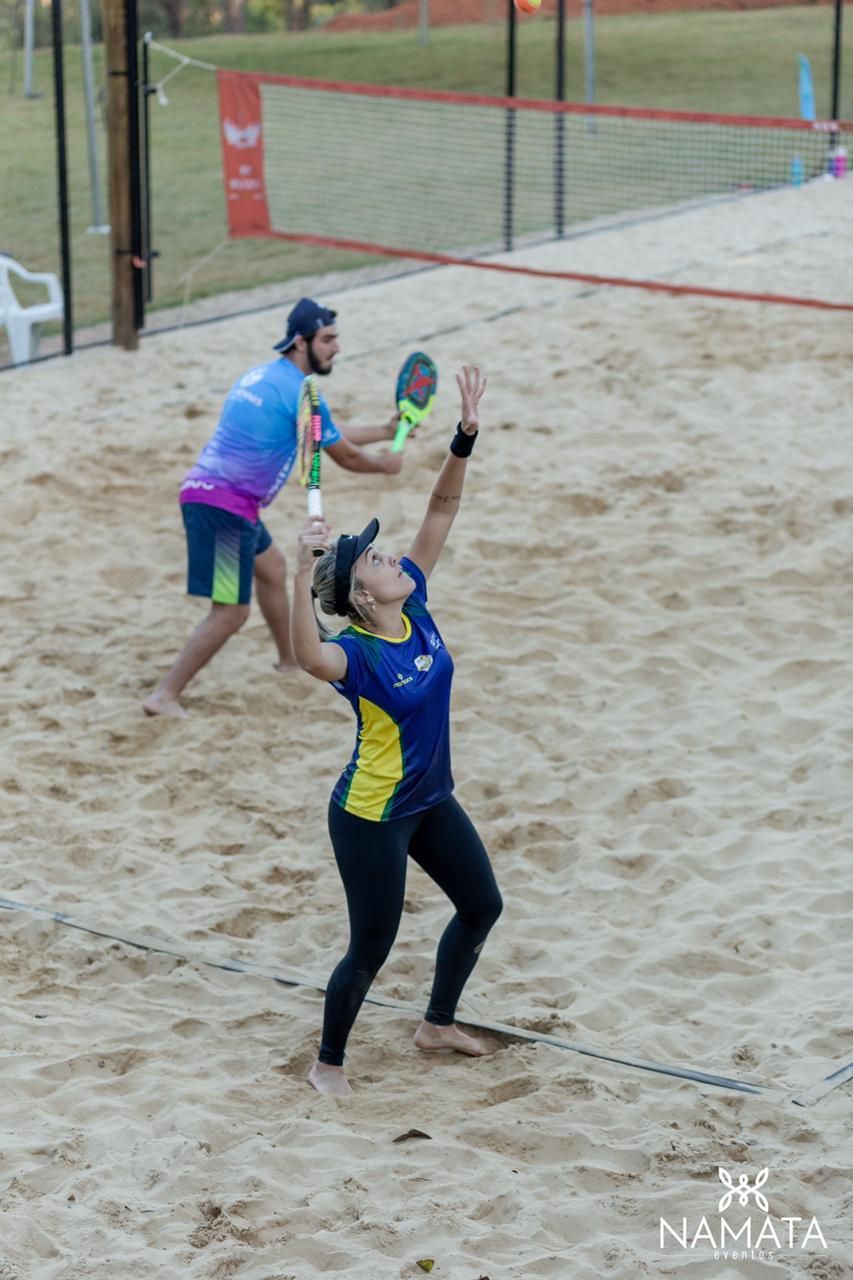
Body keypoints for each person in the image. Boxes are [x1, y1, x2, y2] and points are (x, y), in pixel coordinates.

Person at [291, 365, 503, 1095]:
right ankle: (328, 1063)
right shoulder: (354, 655)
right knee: (370, 946)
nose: (394, 557)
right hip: (372, 813)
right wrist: (299, 573)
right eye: (378, 559)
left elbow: (441, 509)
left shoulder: (415, 605)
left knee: (482, 905)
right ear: (357, 594)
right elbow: (301, 653)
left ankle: (435, 1023)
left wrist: (463, 436)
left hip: (428, 798)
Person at [143, 298, 403, 718]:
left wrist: (381, 430)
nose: (336, 347)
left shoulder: (266, 377)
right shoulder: (302, 390)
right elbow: (346, 456)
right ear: (301, 342)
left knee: (273, 568)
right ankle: (164, 695)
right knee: (231, 612)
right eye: (328, 339)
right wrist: (383, 466)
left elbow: (322, 432)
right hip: (224, 509)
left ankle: (288, 660)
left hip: (220, 499)